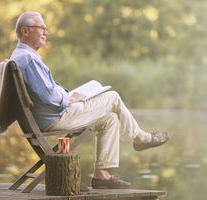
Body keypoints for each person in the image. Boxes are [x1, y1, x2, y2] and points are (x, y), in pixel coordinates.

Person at [10, 11, 169, 189]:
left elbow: (45, 92)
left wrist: (71, 96)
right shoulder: (29, 59)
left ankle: (102, 175)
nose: (46, 31)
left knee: (110, 119)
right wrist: (69, 99)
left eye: (46, 28)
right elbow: (48, 96)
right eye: (41, 28)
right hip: (54, 118)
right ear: (25, 31)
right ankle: (141, 138)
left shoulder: (20, 56)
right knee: (112, 97)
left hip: (49, 115)